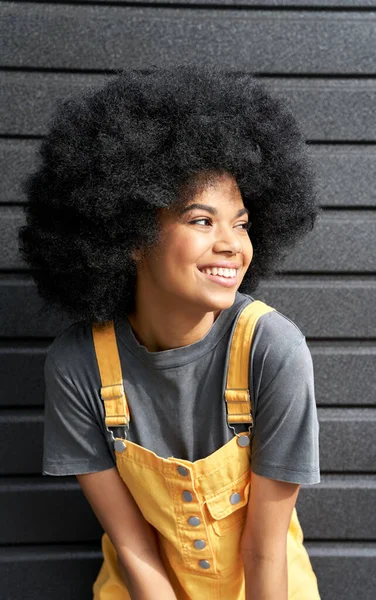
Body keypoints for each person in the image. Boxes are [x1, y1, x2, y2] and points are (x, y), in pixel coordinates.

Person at [18, 64, 321, 599]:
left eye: (241, 222)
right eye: (202, 221)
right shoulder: (79, 364)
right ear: (131, 236)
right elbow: (132, 546)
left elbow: (265, 549)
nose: (232, 244)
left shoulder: (273, 350)